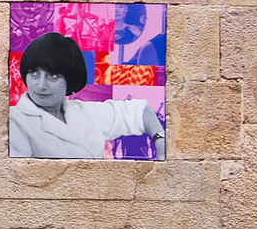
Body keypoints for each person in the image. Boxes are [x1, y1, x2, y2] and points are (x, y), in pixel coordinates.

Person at [9, 31, 164, 159]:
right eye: (34, 73)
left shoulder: (85, 112)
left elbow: (140, 111)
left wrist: (160, 140)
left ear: (70, 79)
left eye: (53, 76)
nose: (41, 85)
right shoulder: (13, 121)